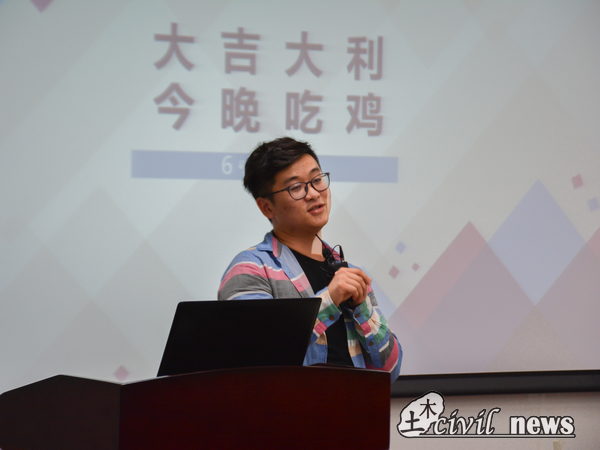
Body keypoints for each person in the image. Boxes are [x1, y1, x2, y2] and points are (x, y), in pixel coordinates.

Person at [218, 137, 401, 381]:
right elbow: (255, 357)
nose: (314, 194)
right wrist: (329, 299)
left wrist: (362, 308)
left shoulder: (348, 273)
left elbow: (390, 370)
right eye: (296, 187)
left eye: (316, 180)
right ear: (266, 207)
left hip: (354, 404)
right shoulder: (250, 269)